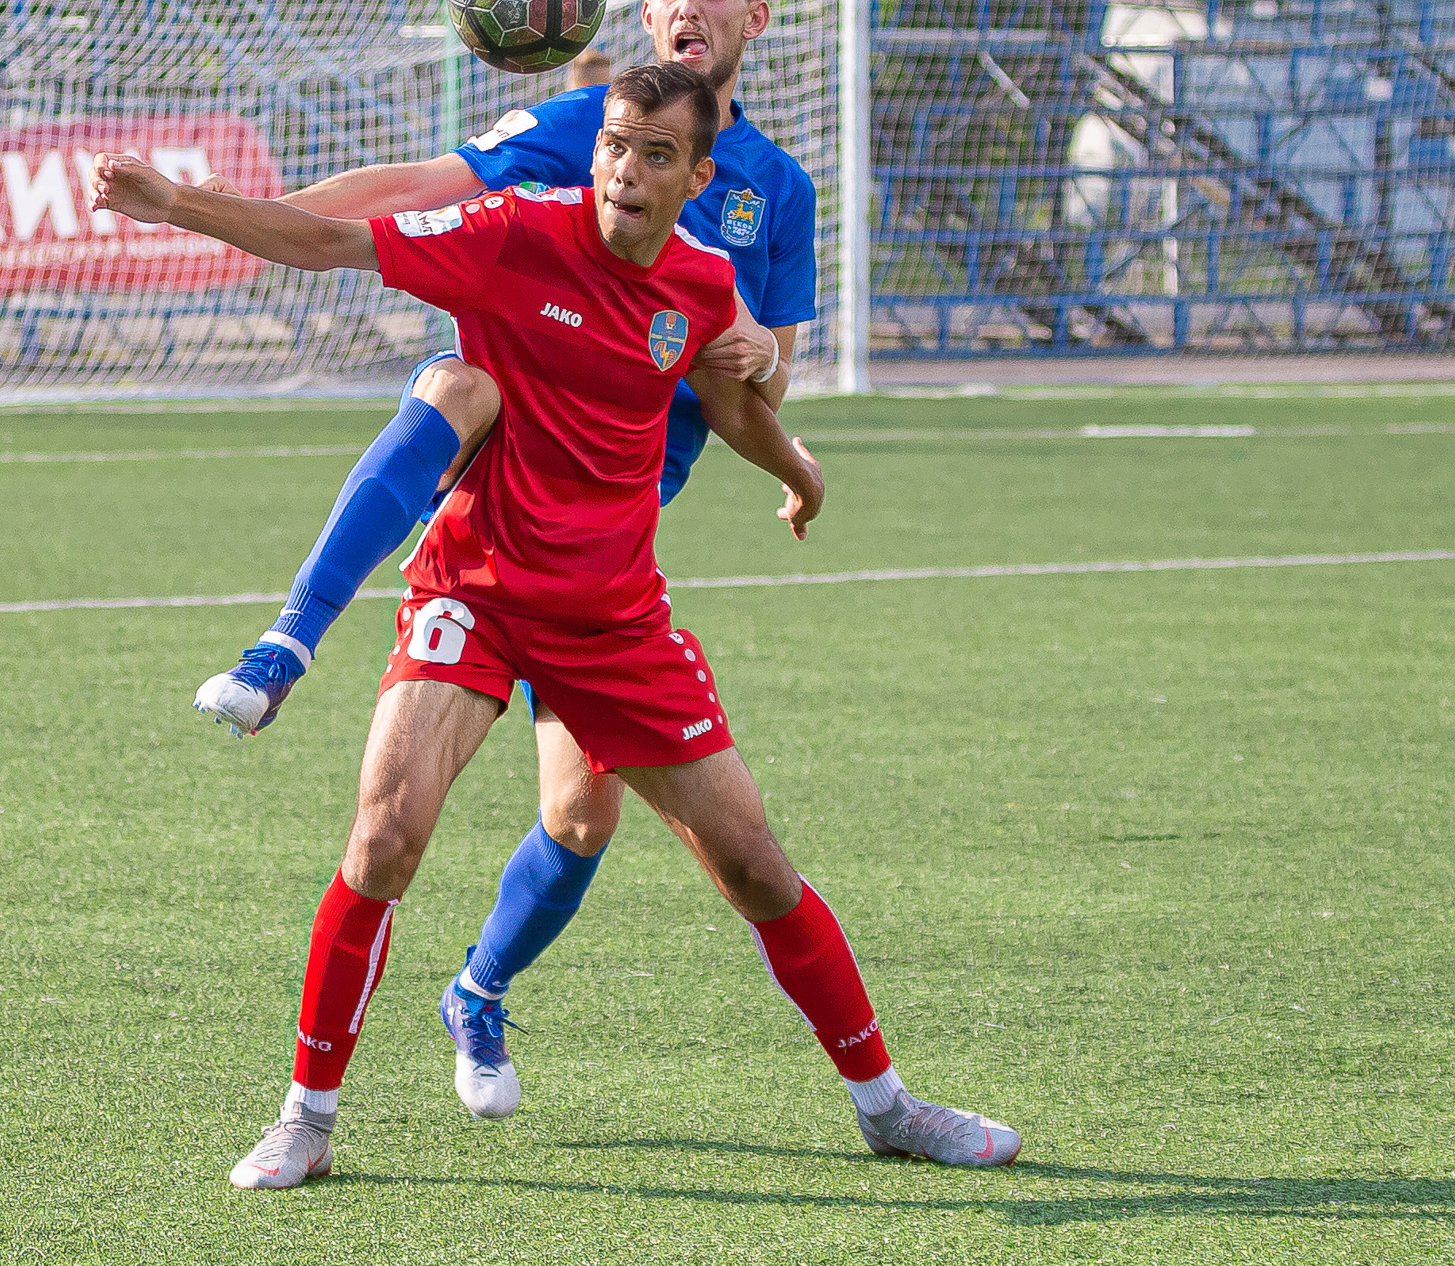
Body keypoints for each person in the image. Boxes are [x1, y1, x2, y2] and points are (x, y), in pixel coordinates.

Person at [93, 64, 1021, 1191]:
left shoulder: (699, 282)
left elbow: (735, 406)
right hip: (471, 592)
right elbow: (332, 242)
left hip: (614, 616)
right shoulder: (508, 234)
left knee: (754, 867)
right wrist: (177, 203)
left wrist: (801, 469)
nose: (627, 172)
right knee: (385, 840)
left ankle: (887, 1107)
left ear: (698, 174)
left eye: (655, 155)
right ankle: (307, 1116)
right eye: (615, 147)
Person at [181, 0, 821, 1114]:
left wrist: (757, 371)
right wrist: (254, 211)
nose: (690, 5)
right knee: (459, 381)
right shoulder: (591, 128)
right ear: (638, 12)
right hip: (500, 485)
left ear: (755, 18)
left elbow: (763, 375)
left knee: (579, 820)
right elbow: (415, 191)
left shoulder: (777, 192)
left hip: (609, 541)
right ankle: (288, 638)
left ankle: (477, 989)